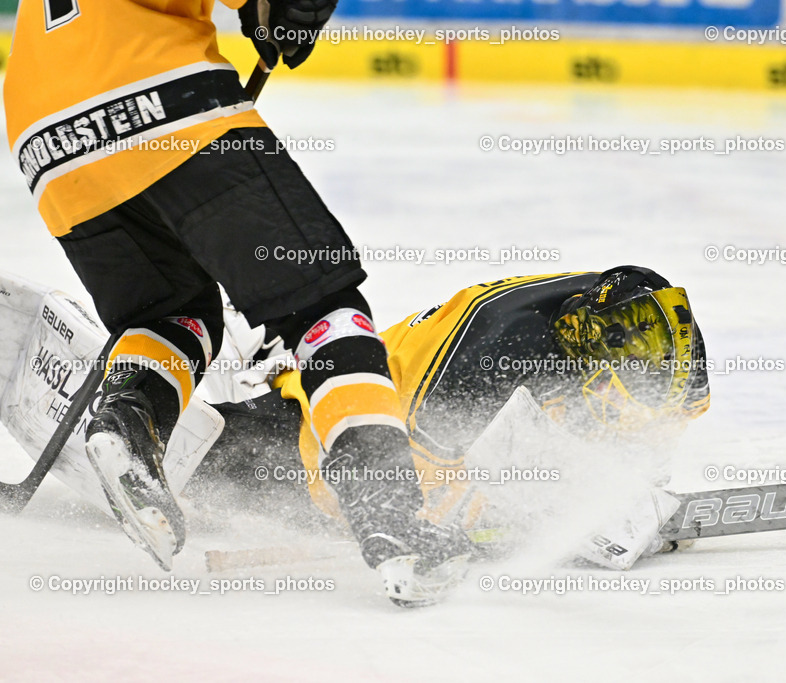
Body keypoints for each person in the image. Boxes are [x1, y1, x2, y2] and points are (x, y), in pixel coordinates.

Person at [3, 0, 467, 603]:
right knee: (321, 306)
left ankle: (127, 422)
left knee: (169, 315)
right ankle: (393, 516)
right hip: (160, 96)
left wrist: (271, 17)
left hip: (46, 139)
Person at [191, 266, 712, 566]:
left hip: (420, 402)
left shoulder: (637, 321)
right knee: (205, 462)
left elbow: (666, 413)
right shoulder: (491, 356)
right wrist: (506, 522)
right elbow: (410, 495)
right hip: (328, 429)